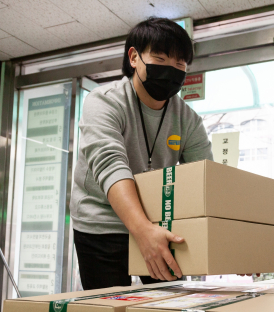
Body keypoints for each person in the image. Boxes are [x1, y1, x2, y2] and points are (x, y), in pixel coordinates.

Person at [70, 17, 213, 290]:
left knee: (167, 310)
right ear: (134, 57)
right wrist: (141, 229)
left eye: (179, 64)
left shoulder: (187, 120)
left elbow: (205, 178)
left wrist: (228, 239)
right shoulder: (104, 101)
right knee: (110, 309)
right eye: (160, 59)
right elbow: (110, 164)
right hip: (101, 221)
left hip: (159, 220)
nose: (171, 70)